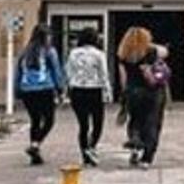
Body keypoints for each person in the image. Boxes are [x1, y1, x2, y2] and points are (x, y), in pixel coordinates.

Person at [15, 23, 64, 165]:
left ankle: (34, 153)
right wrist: (60, 89)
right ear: (45, 37)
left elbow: (18, 72)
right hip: (44, 88)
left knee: (35, 120)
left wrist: (17, 90)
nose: (50, 38)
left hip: (27, 91)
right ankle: (35, 145)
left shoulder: (24, 52)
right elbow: (56, 70)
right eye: (49, 36)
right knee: (49, 120)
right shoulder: (49, 51)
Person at [65, 27, 111, 167]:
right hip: (94, 90)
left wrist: (68, 89)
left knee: (83, 124)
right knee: (98, 122)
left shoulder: (73, 53)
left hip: (77, 90)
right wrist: (108, 92)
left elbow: (68, 72)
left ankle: (85, 153)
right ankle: (92, 146)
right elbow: (104, 74)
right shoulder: (98, 54)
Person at [116, 26, 160, 169]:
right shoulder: (150, 52)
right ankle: (147, 158)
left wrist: (125, 94)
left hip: (133, 92)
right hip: (150, 93)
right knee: (152, 123)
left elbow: (123, 78)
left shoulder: (123, 54)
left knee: (135, 121)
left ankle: (135, 144)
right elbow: (150, 76)